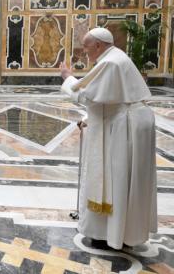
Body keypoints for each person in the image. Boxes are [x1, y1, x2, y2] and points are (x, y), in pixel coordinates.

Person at [60, 27, 157, 250]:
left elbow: (88, 97)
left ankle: (111, 234)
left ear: (98, 45)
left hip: (125, 126)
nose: (84, 52)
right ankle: (120, 232)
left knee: (118, 175)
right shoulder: (114, 58)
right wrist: (89, 118)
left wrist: (67, 79)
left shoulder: (111, 62)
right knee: (124, 178)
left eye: (86, 46)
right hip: (127, 121)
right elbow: (107, 99)